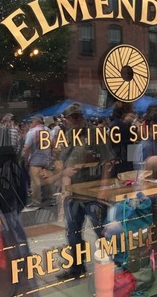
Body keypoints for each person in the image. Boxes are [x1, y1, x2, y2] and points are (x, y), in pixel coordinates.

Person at [57, 103, 114, 280]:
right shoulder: (66, 136)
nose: (75, 120)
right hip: (73, 194)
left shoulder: (95, 134)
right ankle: (76, 267)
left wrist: (104, 187)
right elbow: (62, 164)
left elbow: (108, 162)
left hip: (93, 192)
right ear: (66, 120)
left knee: (101, 231)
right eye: (72, 117)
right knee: (72, 232)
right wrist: (64, 189)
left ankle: (112, 264)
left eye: (78, 116)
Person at [23, 115, 52, 211]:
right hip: (46, 160)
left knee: (35, 183)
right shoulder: (48, 130)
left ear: (36, 121)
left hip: (35, 160)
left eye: (32, 121)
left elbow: (27, 148)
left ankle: (36, 202)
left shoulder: (32, 132)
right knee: (47, 181)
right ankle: (48, 199)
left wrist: (26, 161)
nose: (31, 123)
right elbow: (53, 143)